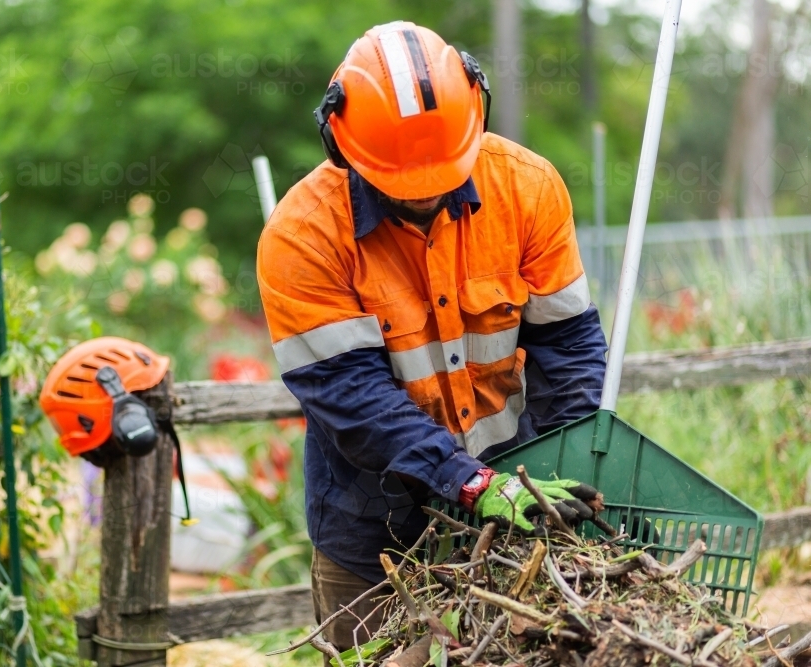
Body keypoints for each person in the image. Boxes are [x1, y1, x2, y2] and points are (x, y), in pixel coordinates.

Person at [256, 21, 607, 655]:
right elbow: (354, 400)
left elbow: (568, 345)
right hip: (374, 532)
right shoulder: (302, 236)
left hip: (518, 503)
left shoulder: (527, 187)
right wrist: (469, 483)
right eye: (403, 185)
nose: (425, 197)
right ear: (340, 143)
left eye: (441, 177)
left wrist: (570, 462)